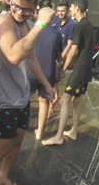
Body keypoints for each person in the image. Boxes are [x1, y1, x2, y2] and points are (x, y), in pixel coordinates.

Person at [0, 0, 55, 185]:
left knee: (18, 141)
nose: (20, 13)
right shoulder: (4, 22)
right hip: (4, 98)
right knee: (1, 148)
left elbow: (32, 59)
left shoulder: (29, 25)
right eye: (16, 6)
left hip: (22, 96)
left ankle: (2, 176)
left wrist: (47, 85)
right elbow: (13, 55)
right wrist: (40, 24)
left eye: (27, 10)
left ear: (34, 6)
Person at [43, 0, 94, 146]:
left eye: (71, 7)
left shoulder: (80, 26)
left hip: (80, 68)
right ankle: (73, 131)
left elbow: (72, 51)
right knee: (76, 100)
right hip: (86, 68)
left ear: (77, 8)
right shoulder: (88, 24)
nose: (70, 9)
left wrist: (62, 69)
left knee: (65, 100)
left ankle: (58, 136)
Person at [29, 9, 62, 141]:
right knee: (44, 102)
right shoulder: (56, 33)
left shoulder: (31, 30)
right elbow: (59, 56)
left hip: (30, 71)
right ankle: (40, 132)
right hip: (48, 72)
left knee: (24, 99)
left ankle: (19, 125)